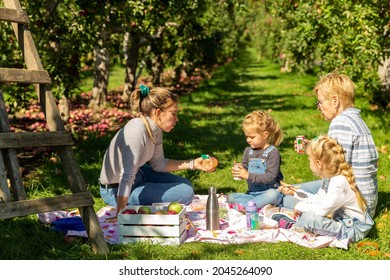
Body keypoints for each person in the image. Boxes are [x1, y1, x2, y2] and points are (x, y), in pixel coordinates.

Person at [99, 84, 213, 219]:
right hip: (115, 189)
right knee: (186, 192)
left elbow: (159, 164)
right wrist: (120, 214)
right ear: (158, 113)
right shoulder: (136, 130)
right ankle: (132, 198)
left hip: (140, 173)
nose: (177, 119)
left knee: (186, 185)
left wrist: (193, 164)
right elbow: (126, 176)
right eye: (174, 113)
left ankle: (147, 189)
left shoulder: (156, 129)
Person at [282, 72, 379, 217]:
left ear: (335, 100)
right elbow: (337, 154)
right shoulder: (354, 120)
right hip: (365, 201)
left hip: (355, 209)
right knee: (297, 191)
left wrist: (309, 201)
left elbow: (333, 168)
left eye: (320, 102)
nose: (318, 108)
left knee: (287, 199)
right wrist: (311, 147)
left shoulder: (340, 123)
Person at [277, 135, 374, 243]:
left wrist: (300, 206)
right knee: (308, 214)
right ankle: (298, 224)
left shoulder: (338, 183)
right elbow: (319, 199)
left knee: (310, 218)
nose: (309, 163)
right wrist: (295, 192)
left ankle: (294, 226)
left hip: (353, 230)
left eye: (310, 160)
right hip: (344, 223)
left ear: (318, 163)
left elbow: (322, 210)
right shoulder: (330, 178)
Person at [227, 110, 284, 209]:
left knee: (273, 194)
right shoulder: (248, 151)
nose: (248, 140)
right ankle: (255, 206)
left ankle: (247, 206)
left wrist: (247, 175)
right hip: (252, 194)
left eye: (252, 137)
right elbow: (245, 167)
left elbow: (270, 177)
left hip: (268, 192)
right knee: (230, 197)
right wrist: (240, 170)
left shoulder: (273, 152)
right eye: (247, 137)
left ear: (265, 135)